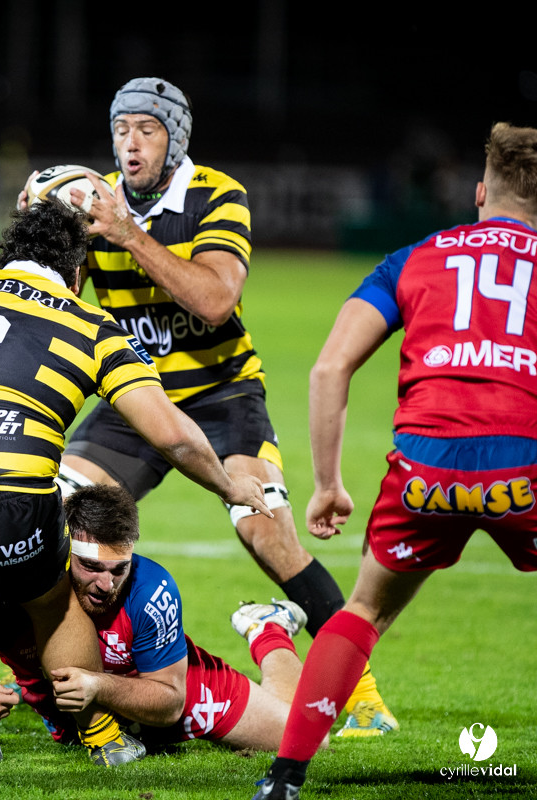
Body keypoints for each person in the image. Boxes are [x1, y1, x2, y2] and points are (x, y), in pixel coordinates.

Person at [0, 200, 272, 767]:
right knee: (50, 599)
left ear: (5, 260)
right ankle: (105, 739)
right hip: (16, 497)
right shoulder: (90, 324)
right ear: (76, 274)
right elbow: (173, 436)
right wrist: (229, 486)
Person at [26, 76, 394, 736]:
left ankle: (359, 691)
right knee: (58, 515)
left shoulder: (216, 196)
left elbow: (216, 299)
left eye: (146, 129)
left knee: (265, 528)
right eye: (120, 129)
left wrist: (129, 234)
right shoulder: (91, 200)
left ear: (176, 138)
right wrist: (38, 224)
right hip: (135, 400)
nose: (130, 143)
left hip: (225, 397)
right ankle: (76, 690)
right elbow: (49, 286)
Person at [252, 122, 537, 799]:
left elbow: (329, 370)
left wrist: (327, 485)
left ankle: (285, 779)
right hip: (524, 468)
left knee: (364, 612)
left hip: (425, 469)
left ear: (478, 193)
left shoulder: (415, 258)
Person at [0, 485, 322, 759]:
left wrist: (99, 685)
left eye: (118, 569)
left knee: (308, 738)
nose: (106, 585)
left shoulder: (151, 589)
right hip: (93, 730)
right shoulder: (5, 594)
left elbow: (171, 700)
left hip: (177, 696)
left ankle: (267, 630)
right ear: (62, 553)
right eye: (90, 568)